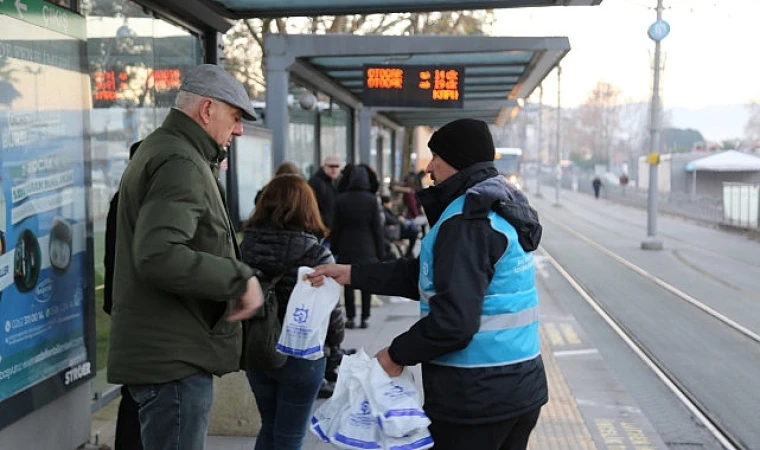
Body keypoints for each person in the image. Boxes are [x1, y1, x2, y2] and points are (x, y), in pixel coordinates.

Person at [306, 118, 547, 450]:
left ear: (459, 160)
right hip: (518, 386)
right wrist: (353, 274)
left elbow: (454, 322)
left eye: (437, 157)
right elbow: (423, 275)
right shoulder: (499, 207)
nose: (430, 167)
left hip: (476, 395)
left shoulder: (466, 222)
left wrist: (395, 354)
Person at [107, 64, 265, 450]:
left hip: (170, 353)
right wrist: (239, 278)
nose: (240, 130)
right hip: (174, 360)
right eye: (236, 116)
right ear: (207, 109)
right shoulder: (181, 160)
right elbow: (159, 254)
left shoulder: (170, 151)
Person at [239, 174, 345, 450]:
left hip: (258, 347)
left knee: (270, 426)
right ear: (308, 207)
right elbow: (332, 311)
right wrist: (335, 348)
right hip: (303, 353)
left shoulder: (244, 248)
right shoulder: (317, 255)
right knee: (291, 435)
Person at [103, 141, 143, 450]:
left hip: (122, 302)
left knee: (134, 387)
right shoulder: (135, 200)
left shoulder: (122, 198)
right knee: (137, 389)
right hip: (134, 305)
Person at [331, 164, 384, 329]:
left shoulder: (341, 199)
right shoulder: (371, 200)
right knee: (366, 283)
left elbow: (336, 227)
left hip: (347, 246)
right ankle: (365, 317)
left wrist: (335, 248)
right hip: (367, 247)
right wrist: (380, 251)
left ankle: (351, 317)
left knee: (347, 282)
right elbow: (377, 228)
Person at [308, 154, 342, 229]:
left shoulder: (332, 183)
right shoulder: (317, 183)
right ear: (324, 167)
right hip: (322, 229)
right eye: (331, 166)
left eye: (336, 166)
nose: (334, 169)